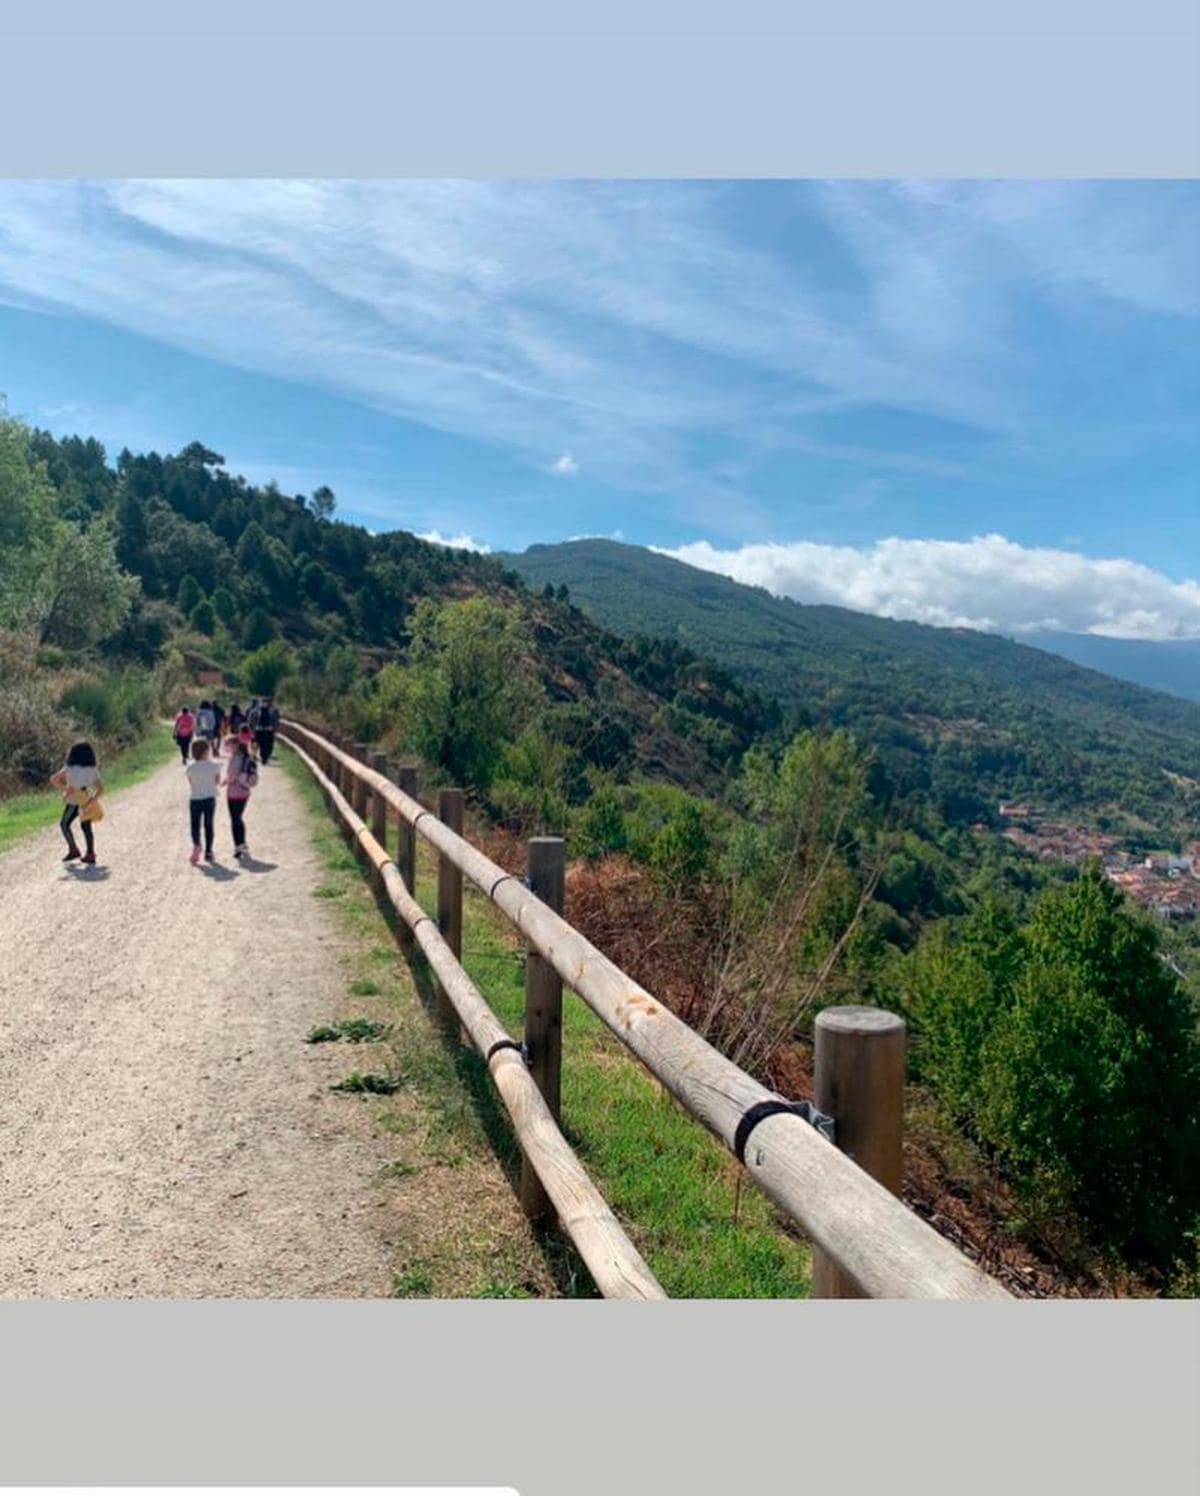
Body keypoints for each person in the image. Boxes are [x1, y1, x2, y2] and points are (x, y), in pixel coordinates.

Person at [49, 741, 104, 865]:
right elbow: (100, 789)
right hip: (86, 799)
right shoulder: (92, 770)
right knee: (86, 827)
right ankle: (90, 853)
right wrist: (91, 800)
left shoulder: (69, 769)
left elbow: (53, 779)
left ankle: (73, 849)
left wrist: (66, 789)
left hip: (73, 801)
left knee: (64, 824)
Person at [224, 726, 259, 859]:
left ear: (235, 745)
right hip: (244, 792)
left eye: (228, 745)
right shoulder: (245, 757)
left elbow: (232, 776)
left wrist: (226, 781)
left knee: (235, 819)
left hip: (233, 793)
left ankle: (239, 846)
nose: (226, 748)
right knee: (238, 818)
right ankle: (242, 844)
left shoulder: (234, 759)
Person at [185, 737, 221, 864]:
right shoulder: (214, 766)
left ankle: (196, 845)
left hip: (195, 799)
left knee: (195, 825)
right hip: (209, 798)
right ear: (206, 751)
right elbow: (217, 782)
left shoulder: (190, 768)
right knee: (208, 824)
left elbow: (191, 783)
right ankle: (209, 851)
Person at [256, 697, 278, 765]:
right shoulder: (272, 711)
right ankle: (265, 757)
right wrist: (275, 729)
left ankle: (262, 756)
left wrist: (253, 728)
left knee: (261, 744)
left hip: (259, 729)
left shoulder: (257, 710)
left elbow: (252, 719)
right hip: (269, 730)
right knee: (268, 744)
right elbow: (275, 721)